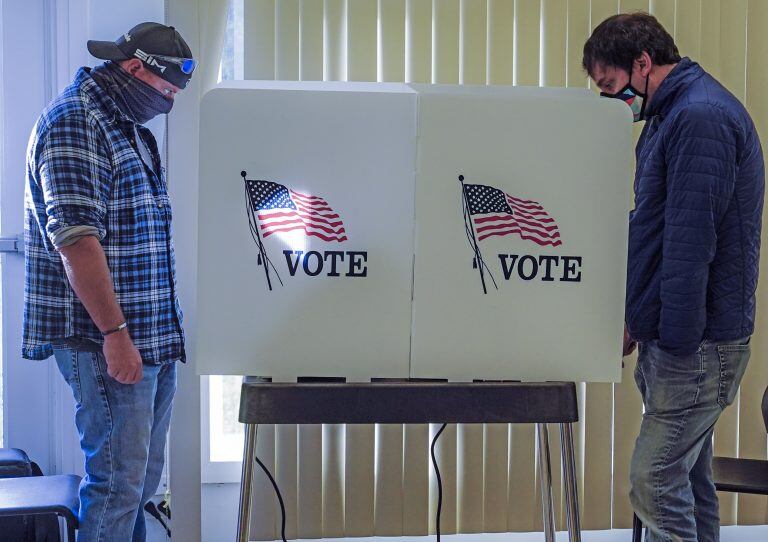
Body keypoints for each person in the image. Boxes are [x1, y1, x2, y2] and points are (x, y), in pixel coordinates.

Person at [583, 12, 764, 542]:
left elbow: (688, 250)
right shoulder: (673, 115)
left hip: (696, 345)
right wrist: (637, 321)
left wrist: (676, 346)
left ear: (643, 63)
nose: (611, 101)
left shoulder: (699, 118)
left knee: (655, 478)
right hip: (688, 338)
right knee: (690, 479)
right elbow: (658, 233)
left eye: (612, 86)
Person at [23, 22, 195, 541]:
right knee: (117, 486)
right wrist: (116, 335)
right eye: (165, 91)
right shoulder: (76, 123)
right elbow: (76, 240)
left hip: (150, 338)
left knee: (138, 487)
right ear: (135, 70)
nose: (168, 103)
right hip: (105, 340)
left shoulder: (127, 126)